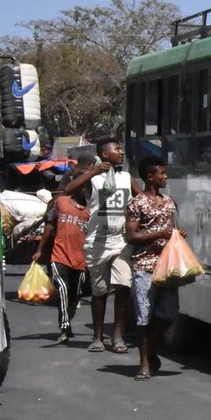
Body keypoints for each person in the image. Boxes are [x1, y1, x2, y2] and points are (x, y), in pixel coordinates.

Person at [64, 138, 140, 354]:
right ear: (105, 154)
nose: (121, 152)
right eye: (117, 149)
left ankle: (117, 335)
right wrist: (93, 172)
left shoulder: (126, 177)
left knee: (123, 286)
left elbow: (142, 199)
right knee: (100, 291)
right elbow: (69, 189)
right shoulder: (93, 179)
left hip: (122, 242)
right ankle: (97, 337)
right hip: (98, 242)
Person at [125, 156, 186, 381]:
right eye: (162, 173)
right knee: (144, 316)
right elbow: (132, 236)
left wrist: (178, 235)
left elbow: (172, 229)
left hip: (167, 267)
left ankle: (151, 346)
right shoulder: (137, 204)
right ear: (150, 177)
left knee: (169, 314)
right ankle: (144, 363)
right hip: (144, 266)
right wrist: (159, 234)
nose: (165, 177)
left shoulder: (169, 202)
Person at [32, 161, 91, 344]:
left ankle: (67, 321)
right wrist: (39, 250)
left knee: (77, 293)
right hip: (59, 256)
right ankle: (64, 328)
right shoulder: (61, 203)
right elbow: (50, 226)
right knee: (63, 290)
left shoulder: (91, 211)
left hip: (81, 260)